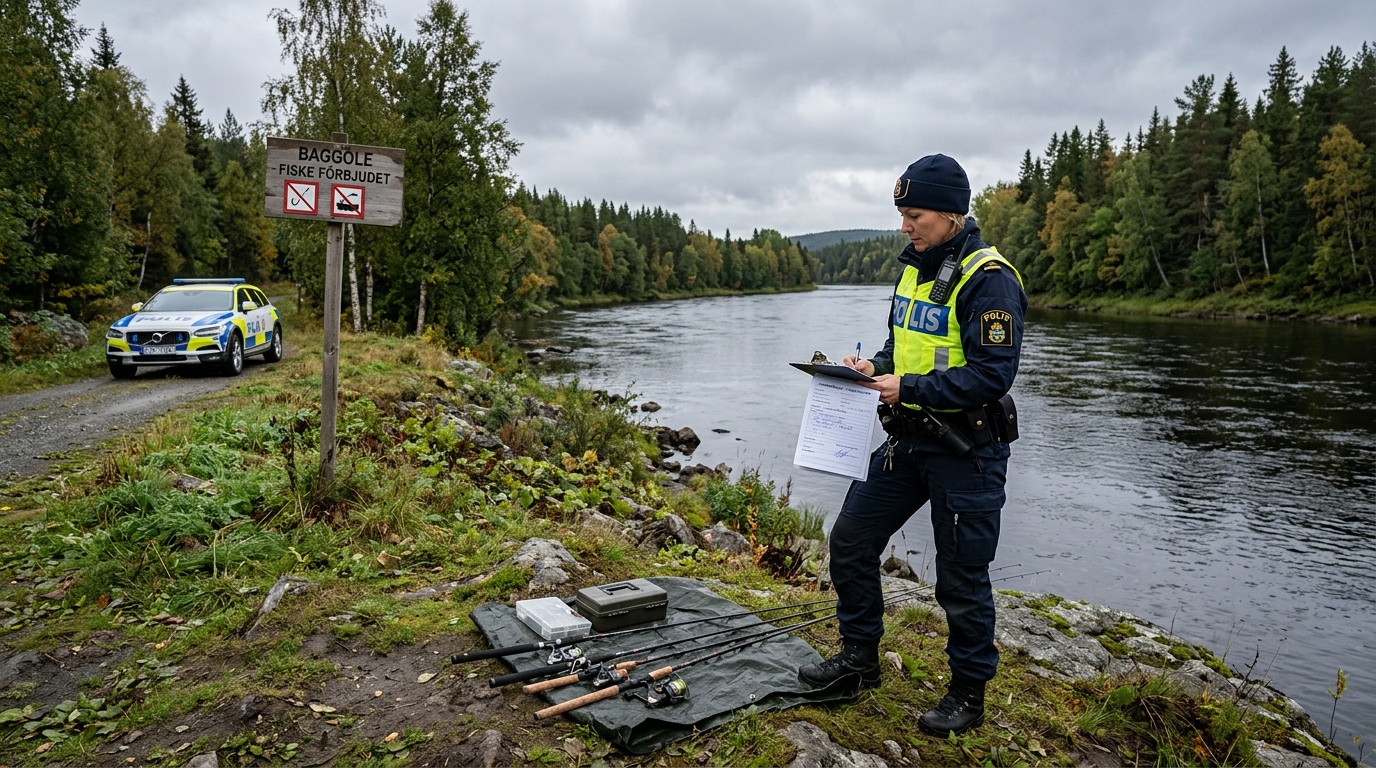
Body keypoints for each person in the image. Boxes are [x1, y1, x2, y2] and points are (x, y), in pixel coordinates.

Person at [797, 154, 1027, 737]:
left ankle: (968, 694)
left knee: (961, 578)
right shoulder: (913, 270)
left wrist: (908, 387)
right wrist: (870, 367)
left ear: (952, 213)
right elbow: (902, 345)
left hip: (967, 451)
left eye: (915, 215)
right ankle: (859, 659)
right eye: (901, 214)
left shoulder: (990, 278)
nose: (905, 226)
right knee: (850, 538)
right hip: (909, 442)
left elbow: (992, 374)